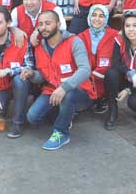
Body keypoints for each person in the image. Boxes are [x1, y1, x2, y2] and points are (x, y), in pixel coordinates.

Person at [24, 10, 95, 150]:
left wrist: (64, 87)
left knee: (68, 95)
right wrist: (32, 74)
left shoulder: (74, 41)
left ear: (58, 24)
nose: (44, 27)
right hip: (52, 90)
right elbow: (44, 76)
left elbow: (85, 70)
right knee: (33, 117)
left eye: (48, 23)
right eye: (40, 24)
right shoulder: (39, 47)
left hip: (79, 91)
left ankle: (61, 133)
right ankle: (66, 114)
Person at [0, 6, 32, 138]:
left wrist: (7, 71)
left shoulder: (21, 40)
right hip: (0, 87)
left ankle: (18, 122)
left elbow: (29, 67)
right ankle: (3, 103)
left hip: (19, 84)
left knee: (20, 80)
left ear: (8, 23)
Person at [78, 4, 119, 114]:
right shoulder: (81, 37)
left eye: (101, 16)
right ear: (89, 17)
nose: (97, 19)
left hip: (105, 80)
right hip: (86, 81)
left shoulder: (115, 35)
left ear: (106, 19)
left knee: (112, 74)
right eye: (94, 15)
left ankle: (105, 99)